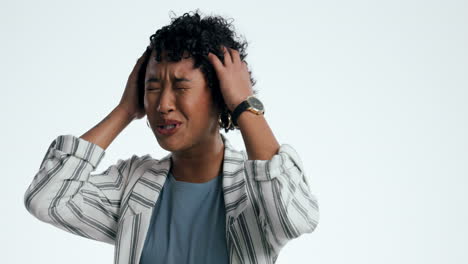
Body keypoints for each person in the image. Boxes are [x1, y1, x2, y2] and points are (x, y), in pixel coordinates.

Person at [24, 10, 320, 264]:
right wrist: (125, 110)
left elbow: (293, 216)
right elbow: (46, 199)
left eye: (180, 87)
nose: (163, 104)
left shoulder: (251, 190)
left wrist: (244, 104)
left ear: (220, 96)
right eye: (153, 87)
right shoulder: (132, 183)